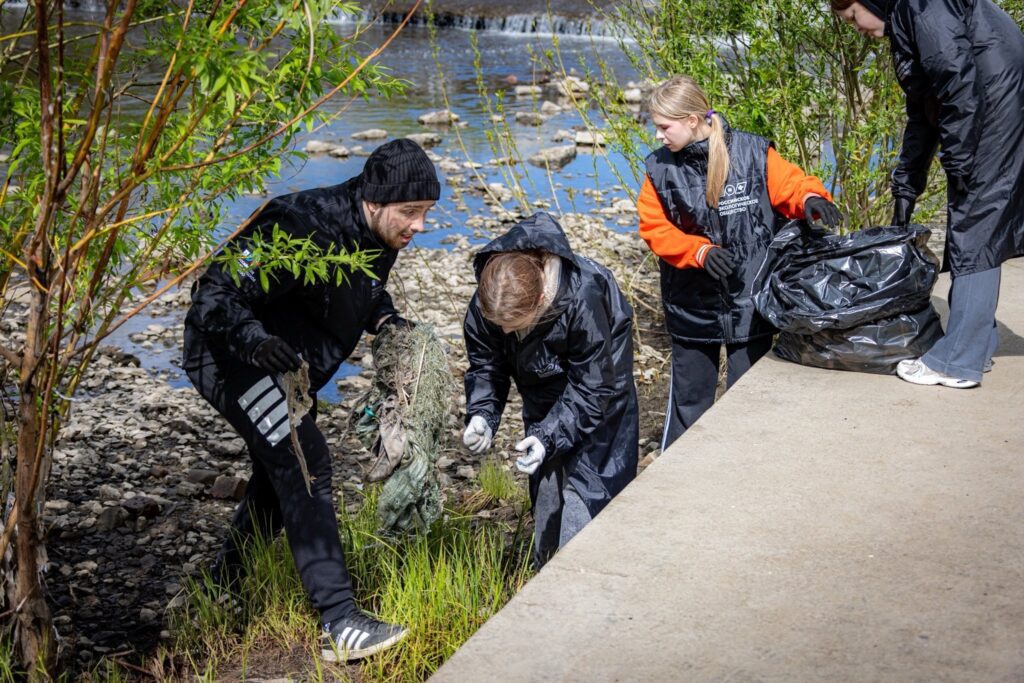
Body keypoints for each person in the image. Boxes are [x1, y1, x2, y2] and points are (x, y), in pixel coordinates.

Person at [182, 138, 440, 662]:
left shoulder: (378, 233)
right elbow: (212, 294)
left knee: (277, 482)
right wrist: (253, 340)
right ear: (373, 201)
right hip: (233, 355)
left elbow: (361, 288)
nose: (420, 226)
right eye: (410, 213)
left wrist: (383, 318)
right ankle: (340, 624)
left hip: (291, 370)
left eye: (427, 213)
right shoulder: (296, 223)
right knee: (305, 463)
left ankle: (220, 584)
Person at [638, 75, 842, 450]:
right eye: (657, 127)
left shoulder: (750, 151)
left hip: (750, 306)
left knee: (748, 405)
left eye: (664, 127)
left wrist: (811, 198)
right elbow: (654, 229)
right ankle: (681, 483)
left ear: (692, 120)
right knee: (689, 407)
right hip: (691, 310)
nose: (658, 135)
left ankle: (747, 475)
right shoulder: (658, 168)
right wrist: (698, 251)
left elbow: (792, 185)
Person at [832, 0, 1024, 389]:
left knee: (975, 228)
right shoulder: (909, 19)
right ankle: (974, 346)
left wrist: (960, 158)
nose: (856, 28)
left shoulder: (920, 5)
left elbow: (958, 83)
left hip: (994, 107)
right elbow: (924, 112)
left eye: (853, 16)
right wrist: (907, 185)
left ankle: (958, 361)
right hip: (993, 105)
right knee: (978, 225)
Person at [461, 212, 639, 568]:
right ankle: (546, 566)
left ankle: (585, 570)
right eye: (501, 326)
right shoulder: (490, 302)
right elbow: (487, 365)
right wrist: (482, 413)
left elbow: (592, 386)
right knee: (545, 480)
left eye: (515, 326)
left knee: (591, 484)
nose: (507, 333)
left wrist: (548, 434)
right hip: (541, 383)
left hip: (602, 385)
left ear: (541, 298)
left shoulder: (583, 296)